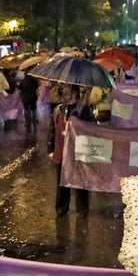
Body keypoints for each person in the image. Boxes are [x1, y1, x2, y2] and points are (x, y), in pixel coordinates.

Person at [47, 84, 93, 217]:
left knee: (80, 180)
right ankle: (62, 207)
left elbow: (91, 128)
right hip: (62, 150)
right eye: (62, 95)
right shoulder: (58, 110)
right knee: (62, 180)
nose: (63, 98)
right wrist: (50, 149)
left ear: (74, 93)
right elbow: (52, 130)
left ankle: (82, 209)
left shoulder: (83, 109)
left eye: (66, 94)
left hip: (78, 150)